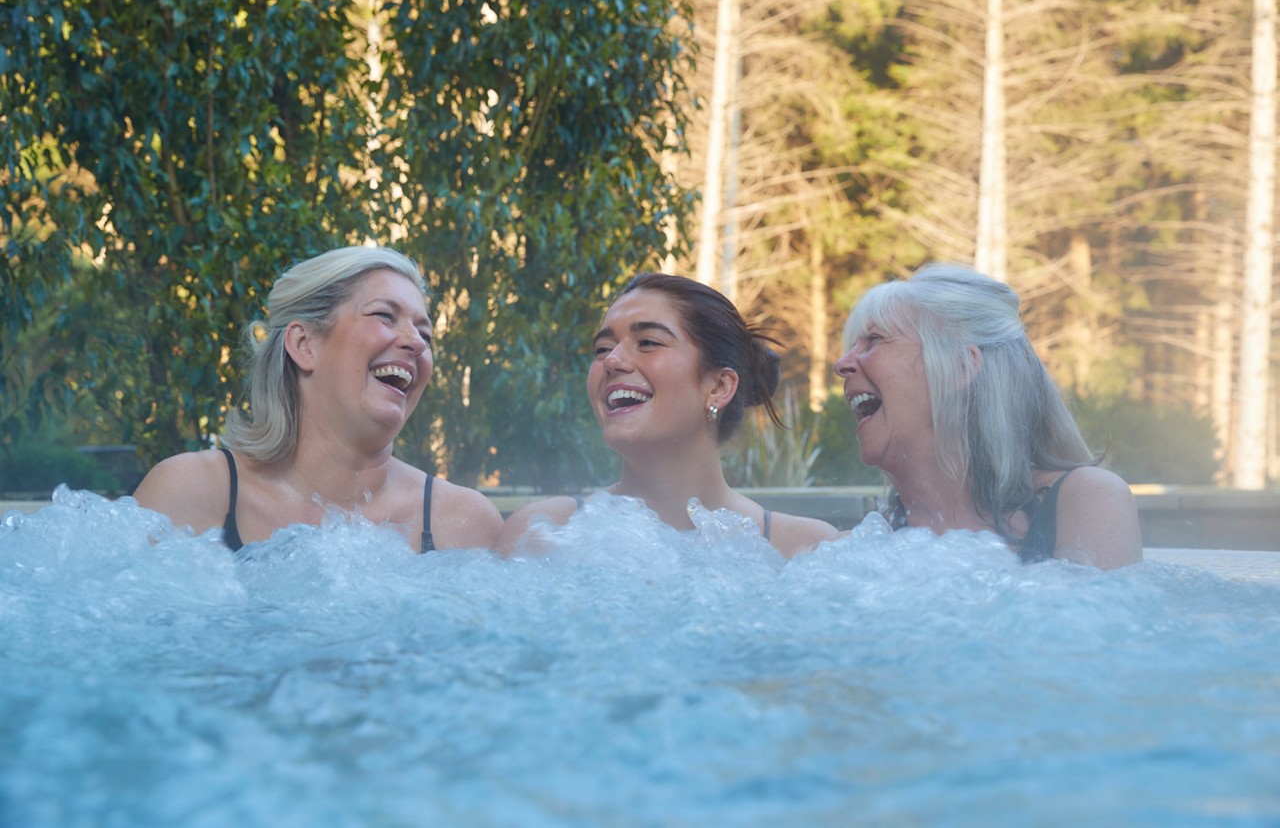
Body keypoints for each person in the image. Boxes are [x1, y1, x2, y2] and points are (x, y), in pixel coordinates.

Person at [134, 246, 503, 552]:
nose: (418, 343)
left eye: (425, 333)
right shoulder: (190, 493)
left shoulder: (461, 523)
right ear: (303, 345)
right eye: (385, 316)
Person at [499, 272, 841, 557]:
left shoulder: (802, 550)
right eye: (602, 349)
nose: (612, 361)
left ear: (720, 386)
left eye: (647, 342)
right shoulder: (544, 533)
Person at [833, 262, 1142, 569]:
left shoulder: (1082, 503)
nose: (841, 364)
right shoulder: (863, 549)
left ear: (959, 368)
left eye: (874, 340)